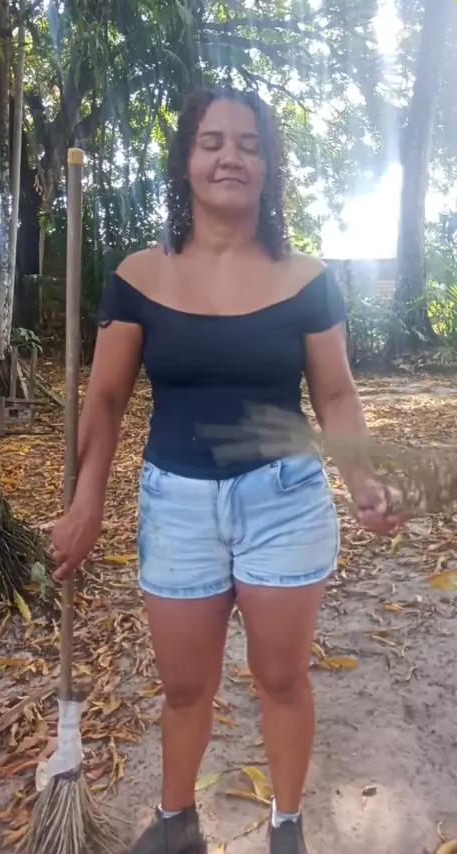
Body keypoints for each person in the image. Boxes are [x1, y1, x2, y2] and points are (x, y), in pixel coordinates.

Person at [52, 88, 401, 854]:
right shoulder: (138, 275)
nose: (230, 157)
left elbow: (336, 395)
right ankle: (177, 821)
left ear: (269, 166)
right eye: (212, 142)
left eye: (248, 143)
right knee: (184, 688)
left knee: (281, 679)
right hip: (175, 506)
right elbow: (104, 398)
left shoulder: (307, 278)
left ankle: (286, 825)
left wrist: (362, 481)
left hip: (284, 501)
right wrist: (86, 503)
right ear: (186, 160)